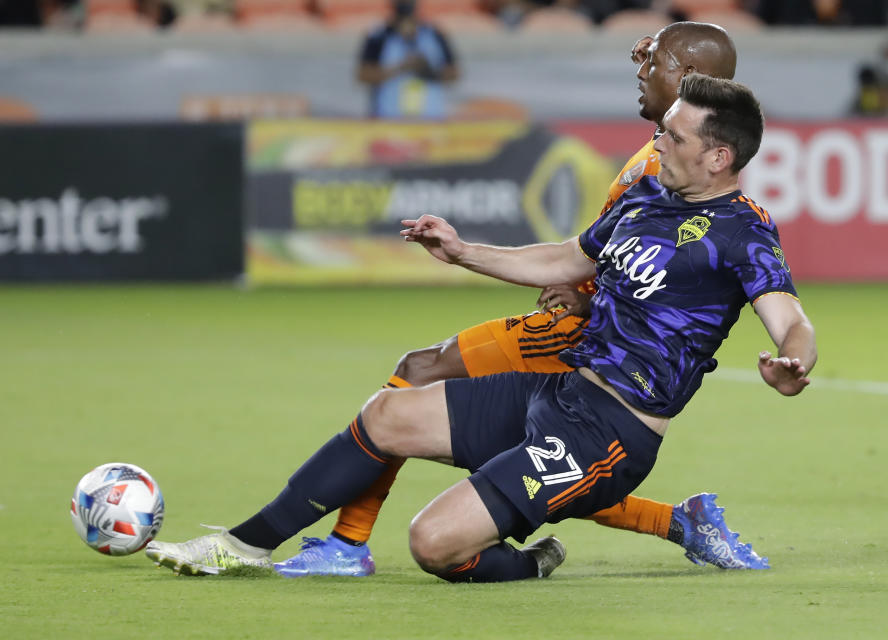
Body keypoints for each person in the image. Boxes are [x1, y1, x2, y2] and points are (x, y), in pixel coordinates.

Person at [145, 72, 817, 582]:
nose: (658, 142)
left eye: (674, 135)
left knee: (431, 545)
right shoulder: (645, 199)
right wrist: (462, 250)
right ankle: (243, 545)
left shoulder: (745, 232)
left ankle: (528, 564)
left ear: (718, 158)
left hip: (612, 433)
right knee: (387, 413)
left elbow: (789, 317)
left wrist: (793, 361)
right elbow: (564, 258)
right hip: (559, 394)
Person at [266, 21, 762, 579]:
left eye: (658, 62)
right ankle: (676, 522)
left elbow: (646, 273)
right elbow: (598, 250)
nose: (644, 68)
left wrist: (583, 296)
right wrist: (656, 61)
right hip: (587, 319)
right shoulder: (667, 148)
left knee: (446, 387)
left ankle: (348, 544)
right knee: (542, 455)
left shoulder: (667, 169)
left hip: (590, 339)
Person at [356, 0, 460, 120]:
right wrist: (400, 68)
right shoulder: (379, 35)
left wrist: (429, 71)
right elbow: (363, 74)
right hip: (388, 121)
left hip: (430, 121)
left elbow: (454, 73)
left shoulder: (435, 34)